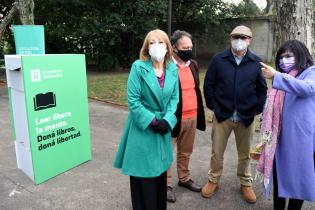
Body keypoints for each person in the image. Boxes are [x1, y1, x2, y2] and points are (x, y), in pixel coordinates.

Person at [113, 29, 179, 210]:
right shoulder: (138, 67)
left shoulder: (172, 68)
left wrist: (167, 120)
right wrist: (153, 122)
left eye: (160, 42)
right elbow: (133, 101)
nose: (156, 46)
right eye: (152, 42)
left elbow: (175, 99)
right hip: (143, 130)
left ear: (167, 46)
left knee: (160, 176)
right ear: (146, 47)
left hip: (163, 130)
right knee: (144, 179)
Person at [202, 25, 267, 203]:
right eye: (236, 37)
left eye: (244, 37)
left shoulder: (255, 61)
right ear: (230, 38)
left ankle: (245, 183)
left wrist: (257, 109)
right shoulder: (218, 59)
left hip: (246, 116)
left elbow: (262, 89)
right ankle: (213, 180)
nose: (239, 40)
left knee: (245, 153)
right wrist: (214, 106)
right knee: (217, 152)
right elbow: (209, 85)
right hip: (222, 115)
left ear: (250, 40)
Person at [258, 40, 315, 210]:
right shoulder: (284, 77)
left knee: (297, 178)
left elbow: (307, 89)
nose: (284, 60)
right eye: (281, 57)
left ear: (300, 55)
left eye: (289, 56)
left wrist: (276, 75)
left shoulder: (310, 73)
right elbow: (271, 106)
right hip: (277, 138)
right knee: (278, 177)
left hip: (299, 139)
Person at [166, 30, 206, 203]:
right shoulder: (166, 66)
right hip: (173, 118)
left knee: (186, 151)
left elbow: (195, 89)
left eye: (190, 46)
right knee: (167, 153)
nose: (188, 50)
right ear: (174, 47)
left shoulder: (193, 65)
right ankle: (165, 185)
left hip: (192, 116)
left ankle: (184, 179)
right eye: (185, 47)